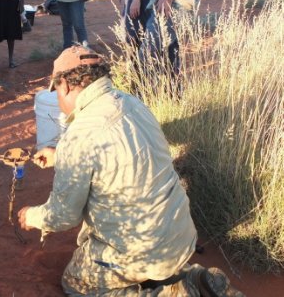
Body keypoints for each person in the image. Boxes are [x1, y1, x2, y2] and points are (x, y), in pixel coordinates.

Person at [18, 45, 243, 296]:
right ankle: (196, 279)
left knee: (76, 284)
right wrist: (61, 157)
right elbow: (119, 160)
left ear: (65, 86)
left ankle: (177, 293)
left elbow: (63, 216)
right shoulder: (131, 103)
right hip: (179, 236)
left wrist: (32, 216)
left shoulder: (80, 135)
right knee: (150, 255)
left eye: (56, 92)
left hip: (142, 250)